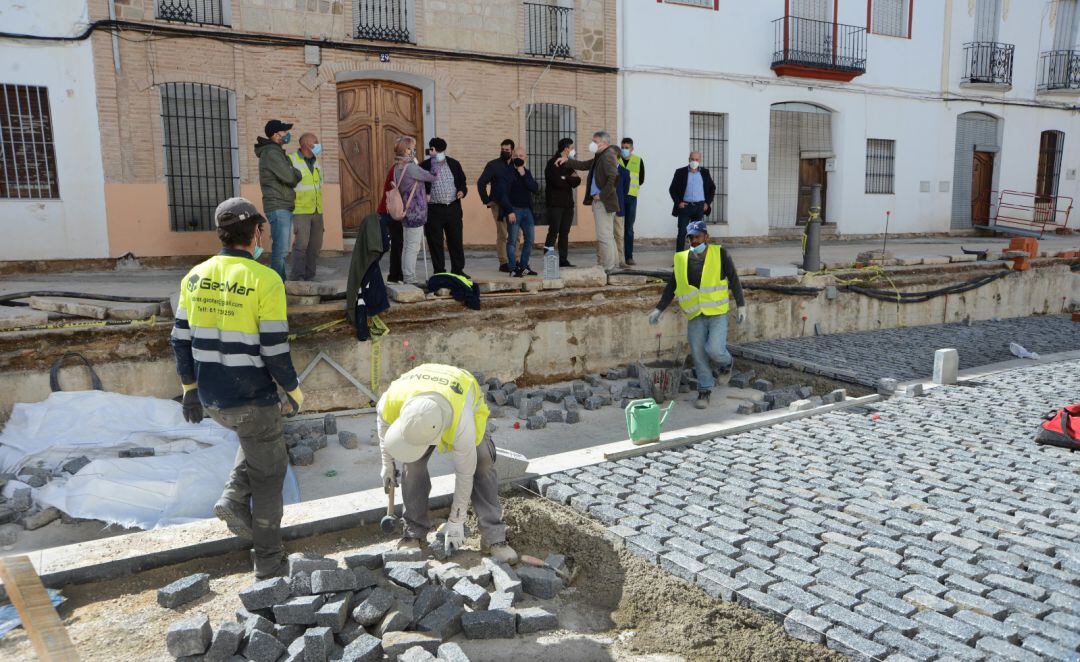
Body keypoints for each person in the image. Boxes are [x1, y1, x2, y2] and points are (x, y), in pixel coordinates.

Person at [171, 197, 303, 578]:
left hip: (212, 398)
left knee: (258, 440)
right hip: (251, 397)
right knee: (269, 474)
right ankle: (268, 559)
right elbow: (275, 349)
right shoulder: (265, 280)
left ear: (221, 234)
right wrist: (292, 390)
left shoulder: (194, 277)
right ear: (257, 232)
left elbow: (179, 341)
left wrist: (189, 389)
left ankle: (231, 497)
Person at [377, 363, 518, 564]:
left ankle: (494, 537)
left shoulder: (462, 422)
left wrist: (456, 520)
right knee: (412, 464)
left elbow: (464, 474)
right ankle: (413, 532)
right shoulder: (393, 399)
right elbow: (382, 425)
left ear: (438, 435)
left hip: (461, 401)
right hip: (422, 396)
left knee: (482, 462)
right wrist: (387, 464)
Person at [648, 220, 745, 411]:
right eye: (690, 237)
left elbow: (734, 279)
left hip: (717, 312)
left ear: (706, 237)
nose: (693, 240)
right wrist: (659, 309)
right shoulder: (682, 259)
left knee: (715, 349)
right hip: (695, 314)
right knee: (699, 355)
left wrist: (741, 306)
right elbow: (673, 285)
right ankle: (705, 390)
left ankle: (727, 364)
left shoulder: (720, 253)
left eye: (697, 236)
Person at [558, 131, 620, 272]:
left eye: (594, 141)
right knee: (608, 236)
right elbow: (585, 165)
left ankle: (609, 268)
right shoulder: (600, 156)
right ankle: (614, 265)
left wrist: (602, 195)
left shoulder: (607, 156)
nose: (592, 143)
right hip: (603, 201)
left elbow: (614, 177)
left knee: (604, 236)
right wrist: (567, 160)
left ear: (603, 143)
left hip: (604, 202)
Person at [254, 119, 302, 281]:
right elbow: (291, 176)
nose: (287, 135)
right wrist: (294, 173)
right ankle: (278, 284)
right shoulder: (272, 153)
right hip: (278, 205)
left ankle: (278, 282)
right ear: (275, 134)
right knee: (280, 250)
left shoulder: (277, 152)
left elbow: (291, 173)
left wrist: (292, 172)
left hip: (282, 205)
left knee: (281, 250)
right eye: (284, 132)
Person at [390, 136, 437, 285]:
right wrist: (435, 160)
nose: (414, 150)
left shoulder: (398, 167)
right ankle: (410, 278)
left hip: (406, 211)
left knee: (407, 246)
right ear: (406, 149)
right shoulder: (411, 168)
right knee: (413, 247)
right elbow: (432, 177)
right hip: (416, 212)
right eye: (412, 147)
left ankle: (407, 275)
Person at [420, 137, 468, 277]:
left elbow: (462, 182)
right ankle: (440, 271)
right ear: (431, 150)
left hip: (453, 208)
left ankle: (458, 270)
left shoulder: (454, 164)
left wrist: (462, 191)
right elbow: (419, 185)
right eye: (436, 150)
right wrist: (426, 194)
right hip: (434, 209)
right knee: (435, 242)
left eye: (442, 150)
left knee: (456, 240)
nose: (439, 153)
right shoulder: (425, 166)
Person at [494, 146, 540, 277]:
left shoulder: (526, 172)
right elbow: (502, 194)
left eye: (521, 156)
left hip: (527, 211)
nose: (518, 158)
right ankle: (513, 268)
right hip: (513, 210)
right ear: (512, 158)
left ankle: (524, 266)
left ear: (525, 158)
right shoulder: (506, 173)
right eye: (516, 156)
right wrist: (509, 211)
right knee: (512, 241)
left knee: (530, 240)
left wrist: (523, 174)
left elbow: (535, 188)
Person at [477, 139, 520, 273]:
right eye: (502, 149)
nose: (504, 152)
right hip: (498, 204)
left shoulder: (516, 166)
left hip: (514, 205)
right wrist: (486, 200)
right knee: (503, 233)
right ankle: (504, 262)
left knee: (517, 234)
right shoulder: (493, 165)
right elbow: (481, 182)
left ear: (512, 151)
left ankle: (515, 260)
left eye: (507, 150)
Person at [288, 133, 324, 281]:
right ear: (307, 144)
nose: (318, 145)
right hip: (300, 210)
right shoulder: (291, 160)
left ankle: (310, 277)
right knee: (301, 246)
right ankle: (297, 277)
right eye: (316, 142)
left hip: (317, 209)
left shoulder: (316, 162)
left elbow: (319, 183)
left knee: (315, 246)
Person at [542, 138, 581, 267]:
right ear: (566, 148)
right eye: (572, 147)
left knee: (564, 232)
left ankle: (563, 260)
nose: (573, 150)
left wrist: (565, 178)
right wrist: (568, 179)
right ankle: (549, 260)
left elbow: (578, 181)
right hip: (555, 204)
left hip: (568, 205)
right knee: (553, 232)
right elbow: (557, 182)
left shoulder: (568, 163)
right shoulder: (553, 162)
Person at [668, 151, 717, 252]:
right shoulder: (680, 172)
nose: (694, 161)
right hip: (685, 207)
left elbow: (712, 188)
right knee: (682, 233)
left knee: (697, 235)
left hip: (699, 208)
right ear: (689, 159)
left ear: (700, 160)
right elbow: (672, 189)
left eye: (696, 159)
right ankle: (679, 259)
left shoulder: (705, 172)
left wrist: (707, 203)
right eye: (692, 159)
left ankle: (696, 258)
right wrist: (678, 202)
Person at [618, 138, 644, 266]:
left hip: (631, 198)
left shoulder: (638, 160)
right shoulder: (616, 159)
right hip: (617, 197)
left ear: (632, 149)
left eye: (627, 147)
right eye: (623, 147)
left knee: (628, 228)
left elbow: (641, 179)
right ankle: (618, 256)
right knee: (616, 228)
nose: (624, 149)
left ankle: (629, 257)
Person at [613, 161, 631, 270]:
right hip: (606, 208)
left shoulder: (624, 172)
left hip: (618, 208)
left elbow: (625, 190)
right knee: (606, 236)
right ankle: (605, 260)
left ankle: (620, 260)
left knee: (619, 235)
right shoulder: (605, 168)